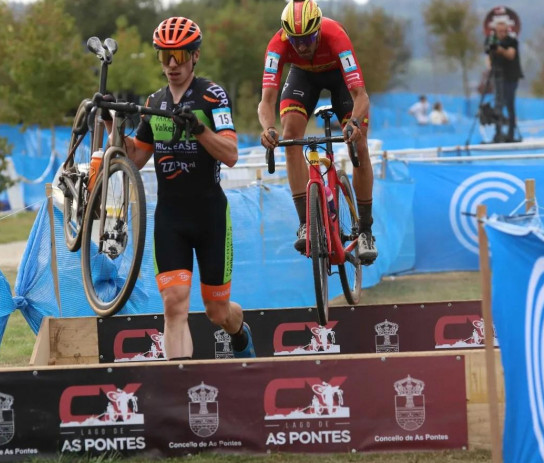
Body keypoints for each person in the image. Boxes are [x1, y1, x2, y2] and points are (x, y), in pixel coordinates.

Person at [103, 17, 255, 360]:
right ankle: (180, 385)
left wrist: (199, 130)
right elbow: (136, 157)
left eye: (181, 55)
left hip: (210, 216)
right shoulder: (155, 103)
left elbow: (231, 155)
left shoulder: (212, 96)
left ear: (195, 56)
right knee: (174, 305)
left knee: (217, 312)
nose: (172, 64)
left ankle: (239, 331)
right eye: (164, 56)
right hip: (171, 217)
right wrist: (110, 121)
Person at [257, 0, 378, 264]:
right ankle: (305, 223)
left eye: (308, 38)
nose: (301, 46)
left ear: (319, 31)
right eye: (295, 40)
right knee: (289, 138)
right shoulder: (277, 45)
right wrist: (267, 129)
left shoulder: (336, 36)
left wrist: (354, 123)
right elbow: (266, 101)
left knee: (359, 144)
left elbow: (361, 95)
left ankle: (366, 230)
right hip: (303, 78)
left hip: (339, 78)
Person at [487, 21, 523, 143]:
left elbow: (510, 55)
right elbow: (489, 57)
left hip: (511, 77)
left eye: (504, 31)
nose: (502, 34)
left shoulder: (511, 41)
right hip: (498, 78)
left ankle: (511, 133)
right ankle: (498, 132)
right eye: (499, 31)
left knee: (509, 105)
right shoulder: (492, 41)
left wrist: (500, 49)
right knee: (498, 105)